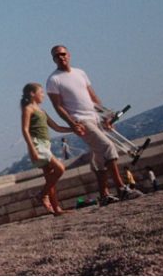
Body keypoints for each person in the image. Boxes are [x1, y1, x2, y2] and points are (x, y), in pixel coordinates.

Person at [46, 45, 145, 205]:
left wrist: (105, 116)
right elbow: (58, 106)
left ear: (68, 55)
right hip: (81, 121)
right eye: (56, 56)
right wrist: (72, 124)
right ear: (53, 59)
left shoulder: (80, 73)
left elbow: (92, 97)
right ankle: (121, 189)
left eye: (63, 54)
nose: (61, 57)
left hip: (94, 117)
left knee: (99, 157)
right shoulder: (53, 80)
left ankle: (104, 195)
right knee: (108, 147)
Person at [20, 82, 72, 215]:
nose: (43, 95)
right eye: (41, 92)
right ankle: (42, 194)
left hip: (46, 144)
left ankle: (56, 209)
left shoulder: (42, 111)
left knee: (50, 179)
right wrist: (32, 148)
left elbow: (56, 127)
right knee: (60, 168)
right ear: (32, 94)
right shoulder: (28, 109)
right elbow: (25, 130)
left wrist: (73, 129)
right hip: (38, 145)